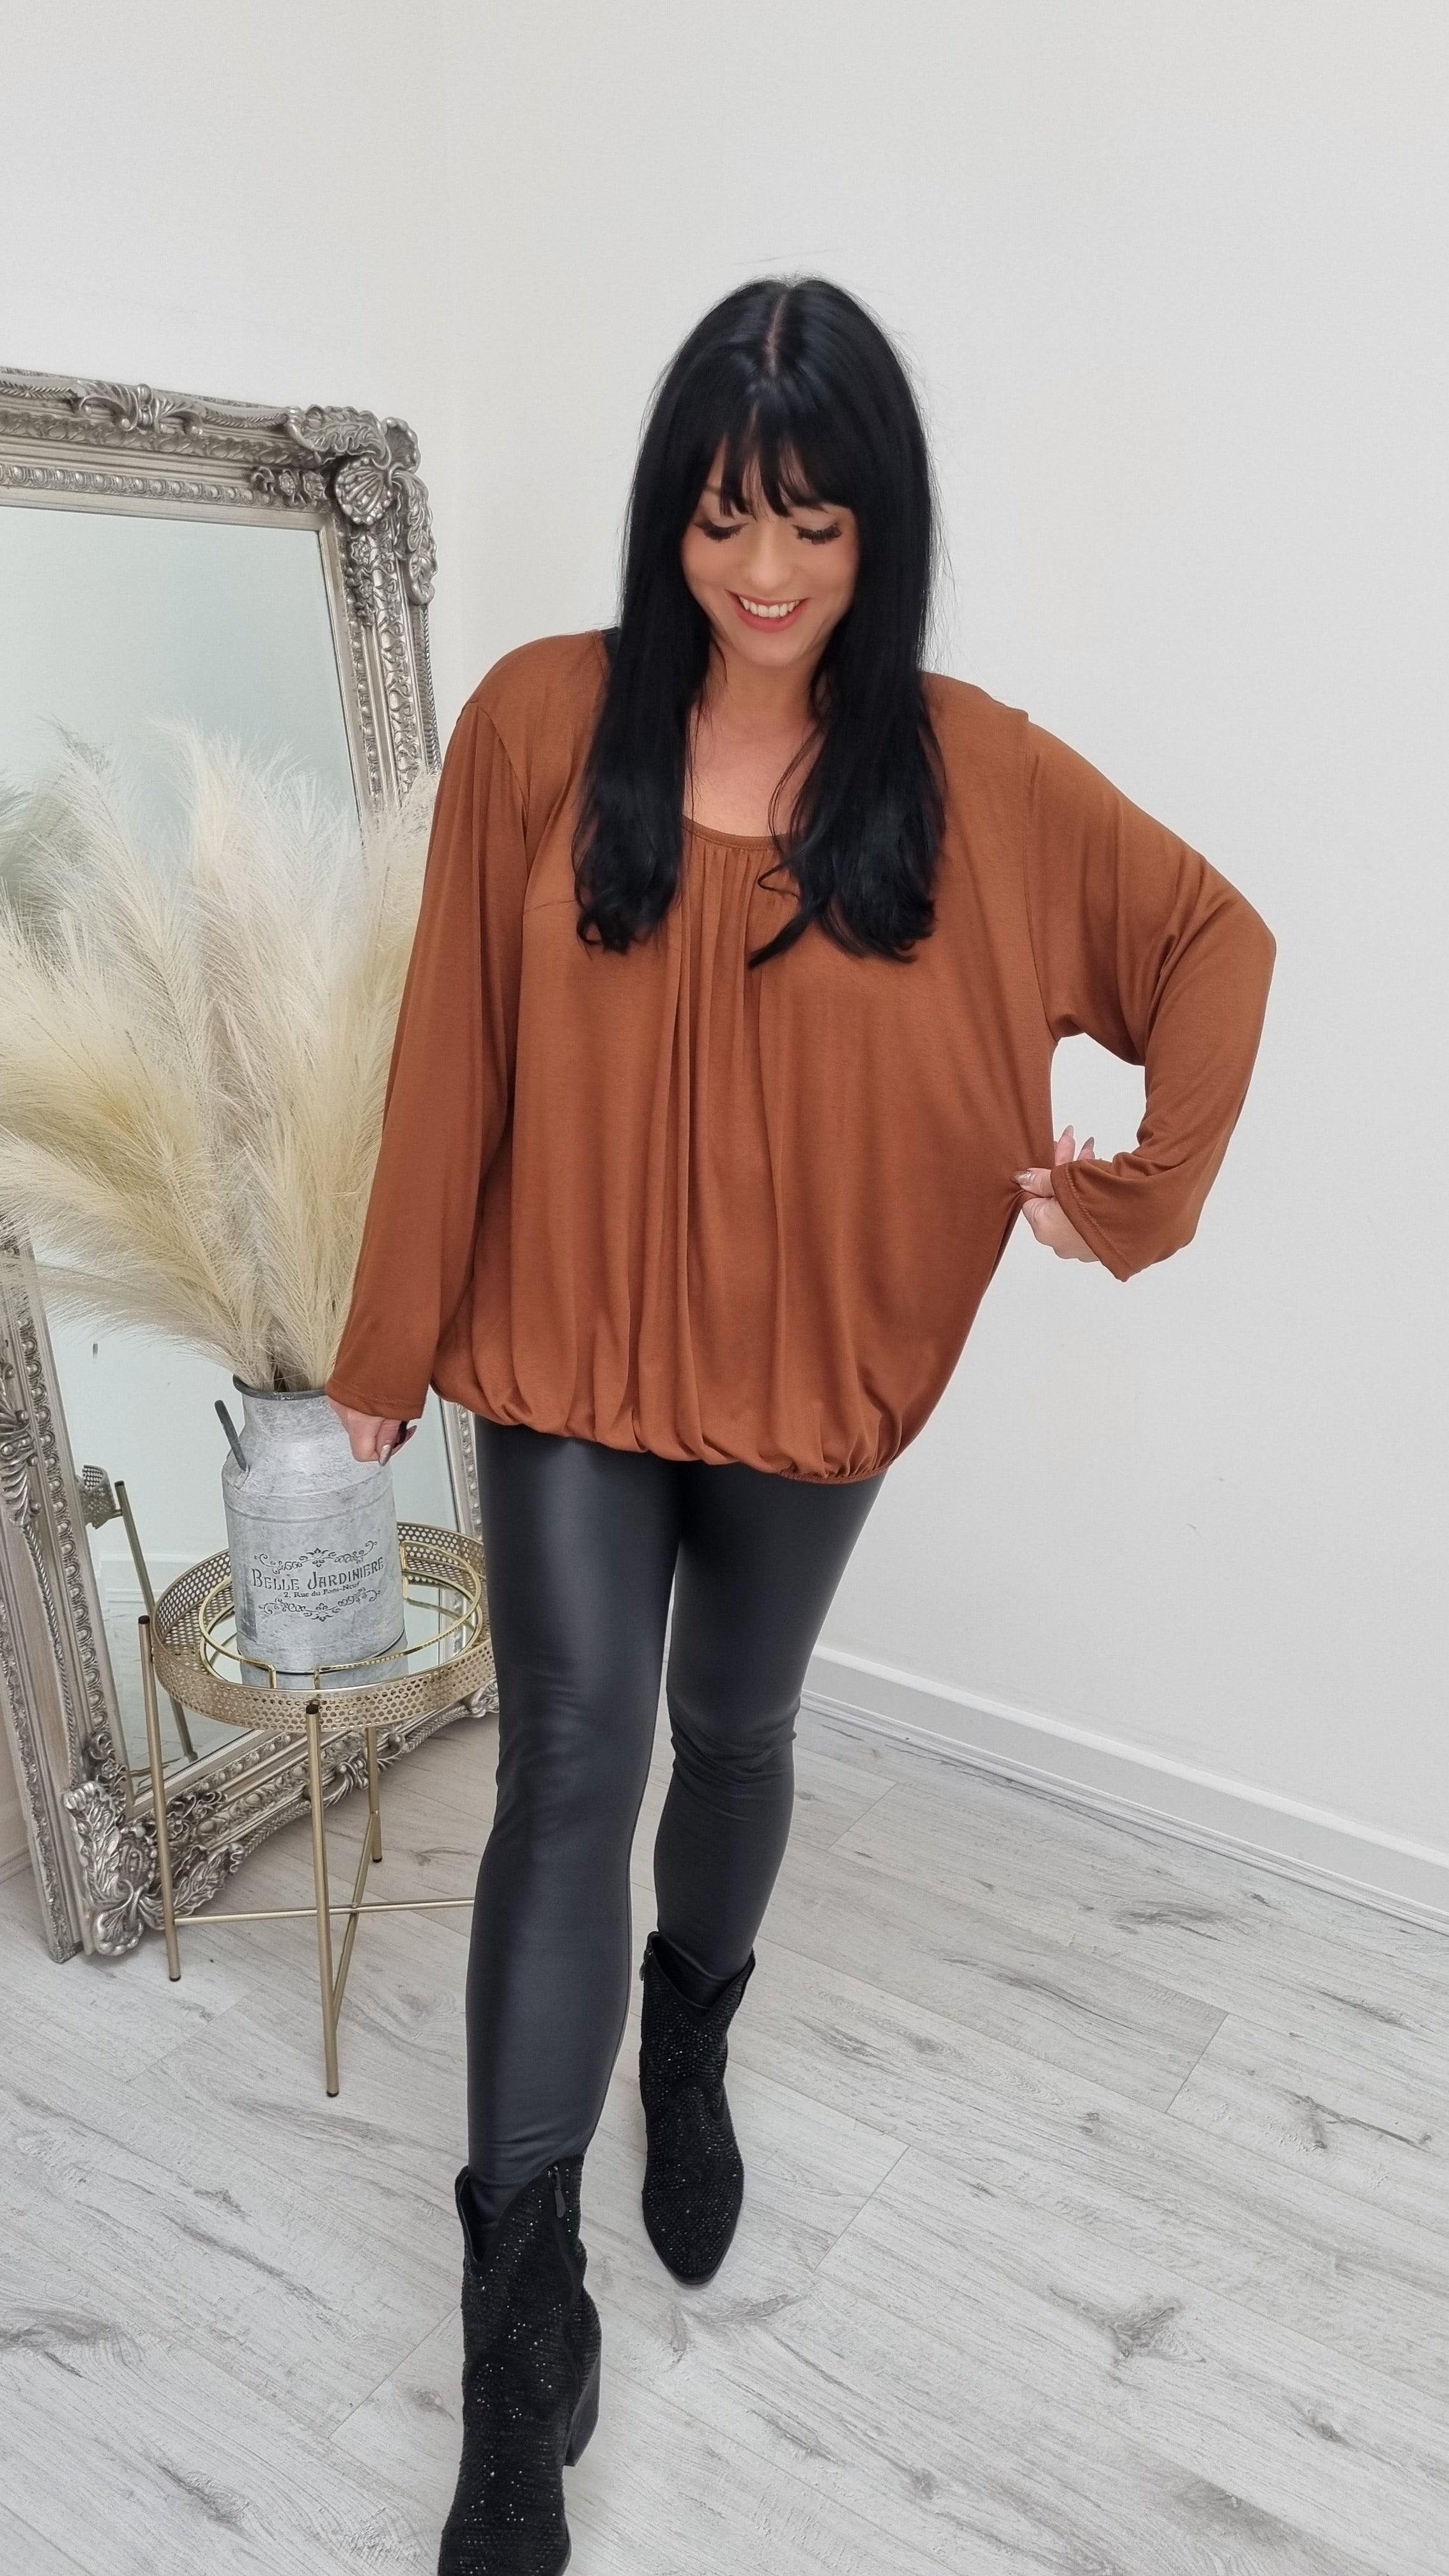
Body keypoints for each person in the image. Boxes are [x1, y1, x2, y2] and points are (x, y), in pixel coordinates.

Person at [324, 274, 1276, 2576]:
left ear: (878, 535)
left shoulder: (970, 780)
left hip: (812, 1370)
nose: (764, 572)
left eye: (816, 528)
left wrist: (1133, 1195)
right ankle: (516, 2340)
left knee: (730, 1732)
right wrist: (381, 1353)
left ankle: (691, 2035)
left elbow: (1212, 944)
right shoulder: (543, 724)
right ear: (670, 512)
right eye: (726, 518)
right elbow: (451, 1042)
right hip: (564, 1343)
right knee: (570, 1763)